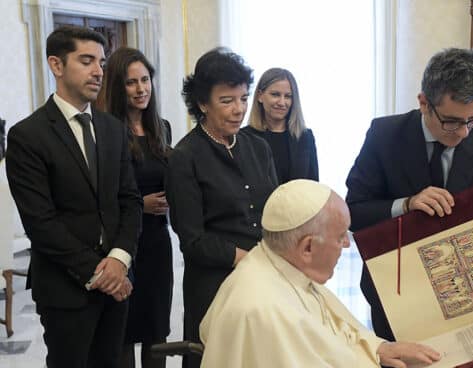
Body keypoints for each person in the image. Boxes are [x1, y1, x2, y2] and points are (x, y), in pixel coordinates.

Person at [345, 48, 473, 367]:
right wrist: (406, 205)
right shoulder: (384, 135)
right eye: (452, 121)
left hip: (468, 292)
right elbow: (356, 211)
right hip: (397, 288)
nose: (463, 132)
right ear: (423, 102)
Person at [5, 25, 141, 367]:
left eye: (101, 62)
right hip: (66, 288)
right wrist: (100, 272)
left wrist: (119, 259)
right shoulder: (28, 136)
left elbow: (129, 200)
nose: (98, 71)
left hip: (117, 280)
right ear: (56, 64)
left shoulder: (112, 128)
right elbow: (41, 223)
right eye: (86, 60)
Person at [199, 179, 441, 368]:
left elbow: (331, 334)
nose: (347, 244)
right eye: (340, 236)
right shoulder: (265, 312)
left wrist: (378, 349)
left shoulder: (277, 264)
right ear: (307, 247)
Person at [166, 47, 278, 368]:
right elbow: (192, 239)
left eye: (243, 99)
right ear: (202, 103)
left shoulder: (258, 147)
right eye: (226, 101)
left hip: (262, 278)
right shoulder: (185, 157)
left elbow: (272, 211)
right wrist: (247, 259)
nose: (238, 110)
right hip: (215, 284)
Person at [98, 47, 173, 368]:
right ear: (117, 86)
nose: (141, 89)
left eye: (145, 80)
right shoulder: (105, 131)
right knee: (124, 332)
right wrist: (140, 205)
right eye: (131, 83)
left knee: (157, 332)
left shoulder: (162, 127)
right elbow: (100, 194)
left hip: (158, 243)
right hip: (124, 244)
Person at [242, 67, 319, 182]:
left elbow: (313, 185)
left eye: (288, 96)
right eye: (275, 94)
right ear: (260, 96)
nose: (282, 102)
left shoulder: (305, 137)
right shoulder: (243, 138)